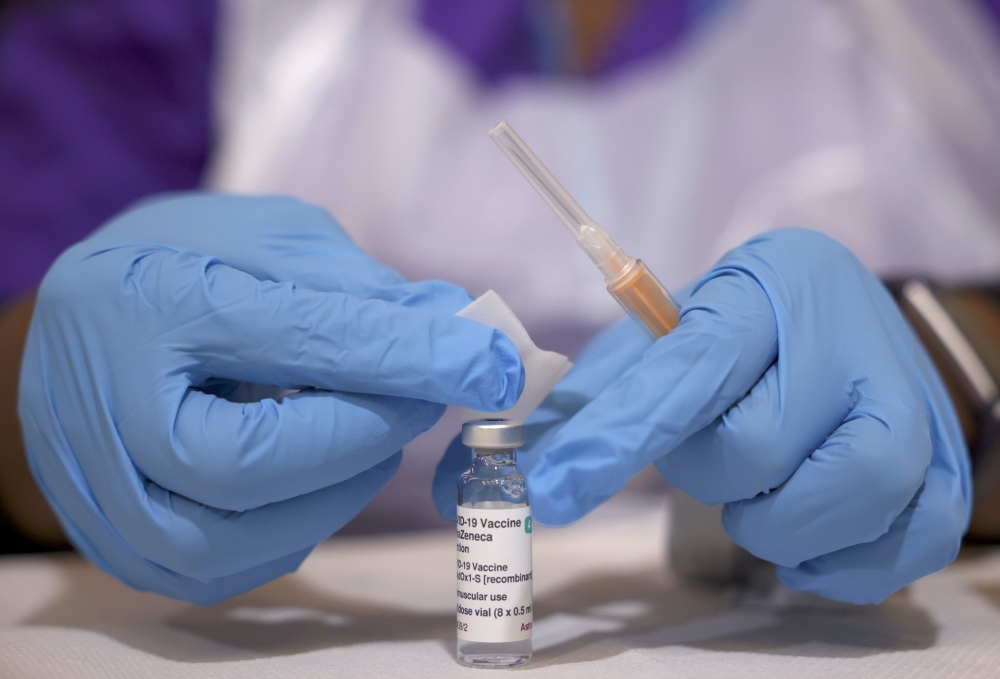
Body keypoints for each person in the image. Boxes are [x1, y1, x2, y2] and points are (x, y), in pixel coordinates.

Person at [1, 0, 999, 605]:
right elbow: (39, 347)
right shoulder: (167, 23)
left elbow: (968, 367)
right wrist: (45, 399)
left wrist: (951, 361)